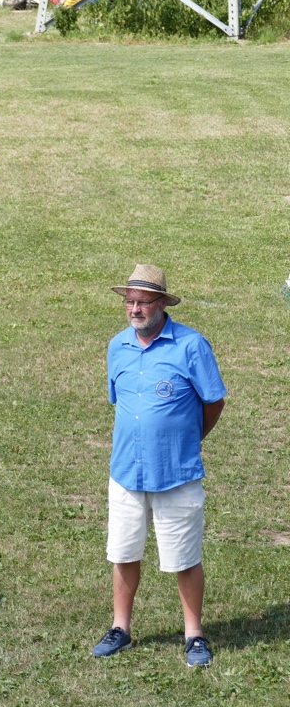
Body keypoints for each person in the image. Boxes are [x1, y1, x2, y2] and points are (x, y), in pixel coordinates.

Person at [91, 265, 227, 668]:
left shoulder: (191, 345)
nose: (135, 309)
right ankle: (120, 628)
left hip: (176, 474)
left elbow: (214, 401)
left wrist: (186, 440)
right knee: (123, 552)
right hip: (126, 473)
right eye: (129, 301)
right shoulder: (117, 346)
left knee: (184, 557)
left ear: (163, 303)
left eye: (144, 302)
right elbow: (121, 403)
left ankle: (194, 635)